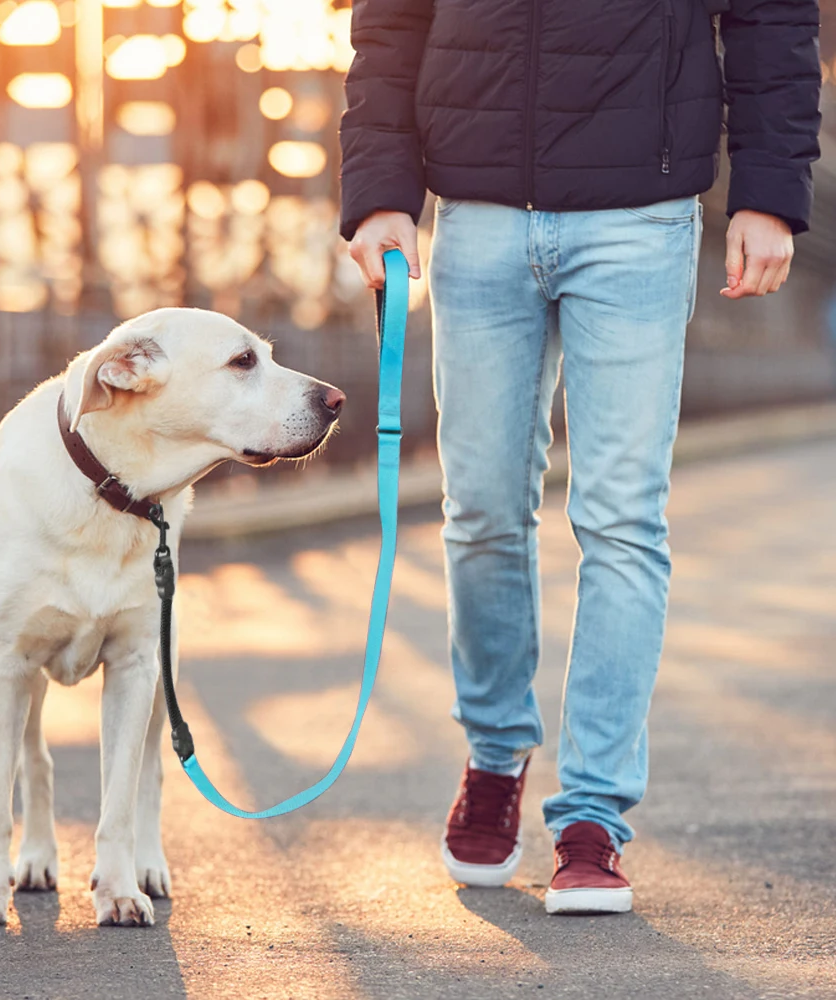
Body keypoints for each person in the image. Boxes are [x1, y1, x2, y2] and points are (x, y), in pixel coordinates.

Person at [339, 0, 821, 914]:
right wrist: (379, 192)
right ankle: (493, 754)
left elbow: (771, 19)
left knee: (622, 519)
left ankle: (592, 817)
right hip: (475, 216)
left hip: (641, 218)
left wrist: (768, 191)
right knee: (479, 509)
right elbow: (391, 25)